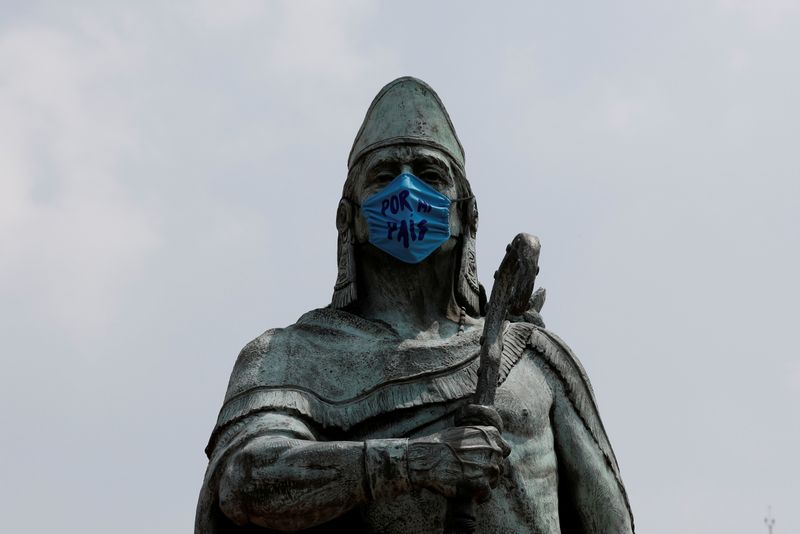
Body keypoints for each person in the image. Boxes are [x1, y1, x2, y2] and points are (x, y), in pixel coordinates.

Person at [195, 77, 634, 533]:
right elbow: (246, 480)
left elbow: (610, 521)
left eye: (430, 175)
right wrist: (413, 463)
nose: (406, 190)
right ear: (350, 219)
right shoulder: (287, 357)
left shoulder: (536, 359)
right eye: (384, 176)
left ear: (466, 215)